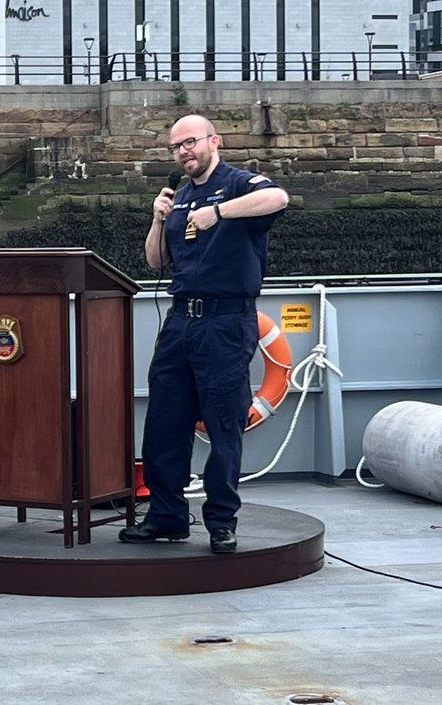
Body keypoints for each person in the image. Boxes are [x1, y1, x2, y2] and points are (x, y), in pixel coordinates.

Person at [119, 114, 289, 555]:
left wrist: (219, 211)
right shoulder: (178, 196)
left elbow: (278, 198)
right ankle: (167, 517)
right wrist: (157, 220)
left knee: (223, 425)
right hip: (180, 322)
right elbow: (156, 263)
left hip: (226, 323)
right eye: (176, 147)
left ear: (214, 141)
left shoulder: (239, 183)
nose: (183, 152)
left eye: (190, 142)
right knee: (164, 425)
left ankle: (220, 522)